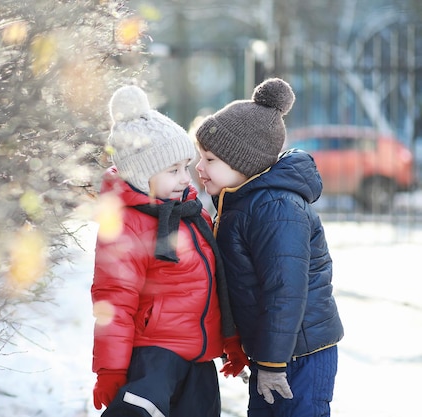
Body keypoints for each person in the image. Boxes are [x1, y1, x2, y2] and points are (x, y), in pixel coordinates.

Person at [91, 85, 248, 417]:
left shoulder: (191, 210)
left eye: (185, 167)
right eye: (172, 170)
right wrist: (110, 370)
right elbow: (114, 302)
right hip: (156, 356)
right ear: (141, 175)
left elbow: (217, 282)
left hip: (200, 358)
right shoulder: (125, 224)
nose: (185, 178)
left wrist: (230, 340)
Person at [194, 78, 345, 417]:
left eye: (210, 159)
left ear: (243, 163)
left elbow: (286, 291)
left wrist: (274, 361)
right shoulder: (240, 202)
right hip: (274, 351)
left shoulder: (276, 208)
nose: (199, 168)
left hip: (300, 352)